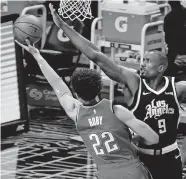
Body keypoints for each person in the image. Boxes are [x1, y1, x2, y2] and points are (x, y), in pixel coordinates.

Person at [48, 3, 186, 179]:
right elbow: (95, 54)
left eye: (147, 61)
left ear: (160, 66)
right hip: (141, 157)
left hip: (169, 157)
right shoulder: (133, 81)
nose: (141, 63)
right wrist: (64, 27)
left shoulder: (177, 88)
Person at [16, 39, 158, 179]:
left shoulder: (75, 112)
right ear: (99, 89)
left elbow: (56, 82)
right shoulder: (117, 110)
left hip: (105, 174)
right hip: (131, 170)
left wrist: (37, 55)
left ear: (76, 94)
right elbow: (153, 138)